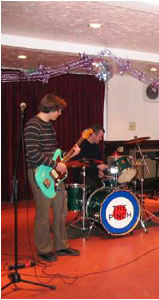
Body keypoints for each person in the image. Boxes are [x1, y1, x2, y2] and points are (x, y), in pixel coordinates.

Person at [24, 93, 81, 262]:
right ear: (50, 109)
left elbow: (53, 152)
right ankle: (43, 249)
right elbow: (33, 153)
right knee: (43, 214)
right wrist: (55, 165)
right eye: (59, 110)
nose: (60, 114)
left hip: (54, 174)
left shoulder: (49, 125)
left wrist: (68, 153)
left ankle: (61, 245)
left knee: (61, 211)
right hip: (39, 174)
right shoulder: (32, 126)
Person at [71, 124, 108, 189]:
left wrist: (99, 172)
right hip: (82, 175)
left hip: (93, 176)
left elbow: (97, 162)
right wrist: (97, 167)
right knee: (94, 186)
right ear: (93, 135)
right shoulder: (81, 146)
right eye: (100, 137)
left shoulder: (96, 147)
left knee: (106, 185)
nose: (101, 139)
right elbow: (80, 163)